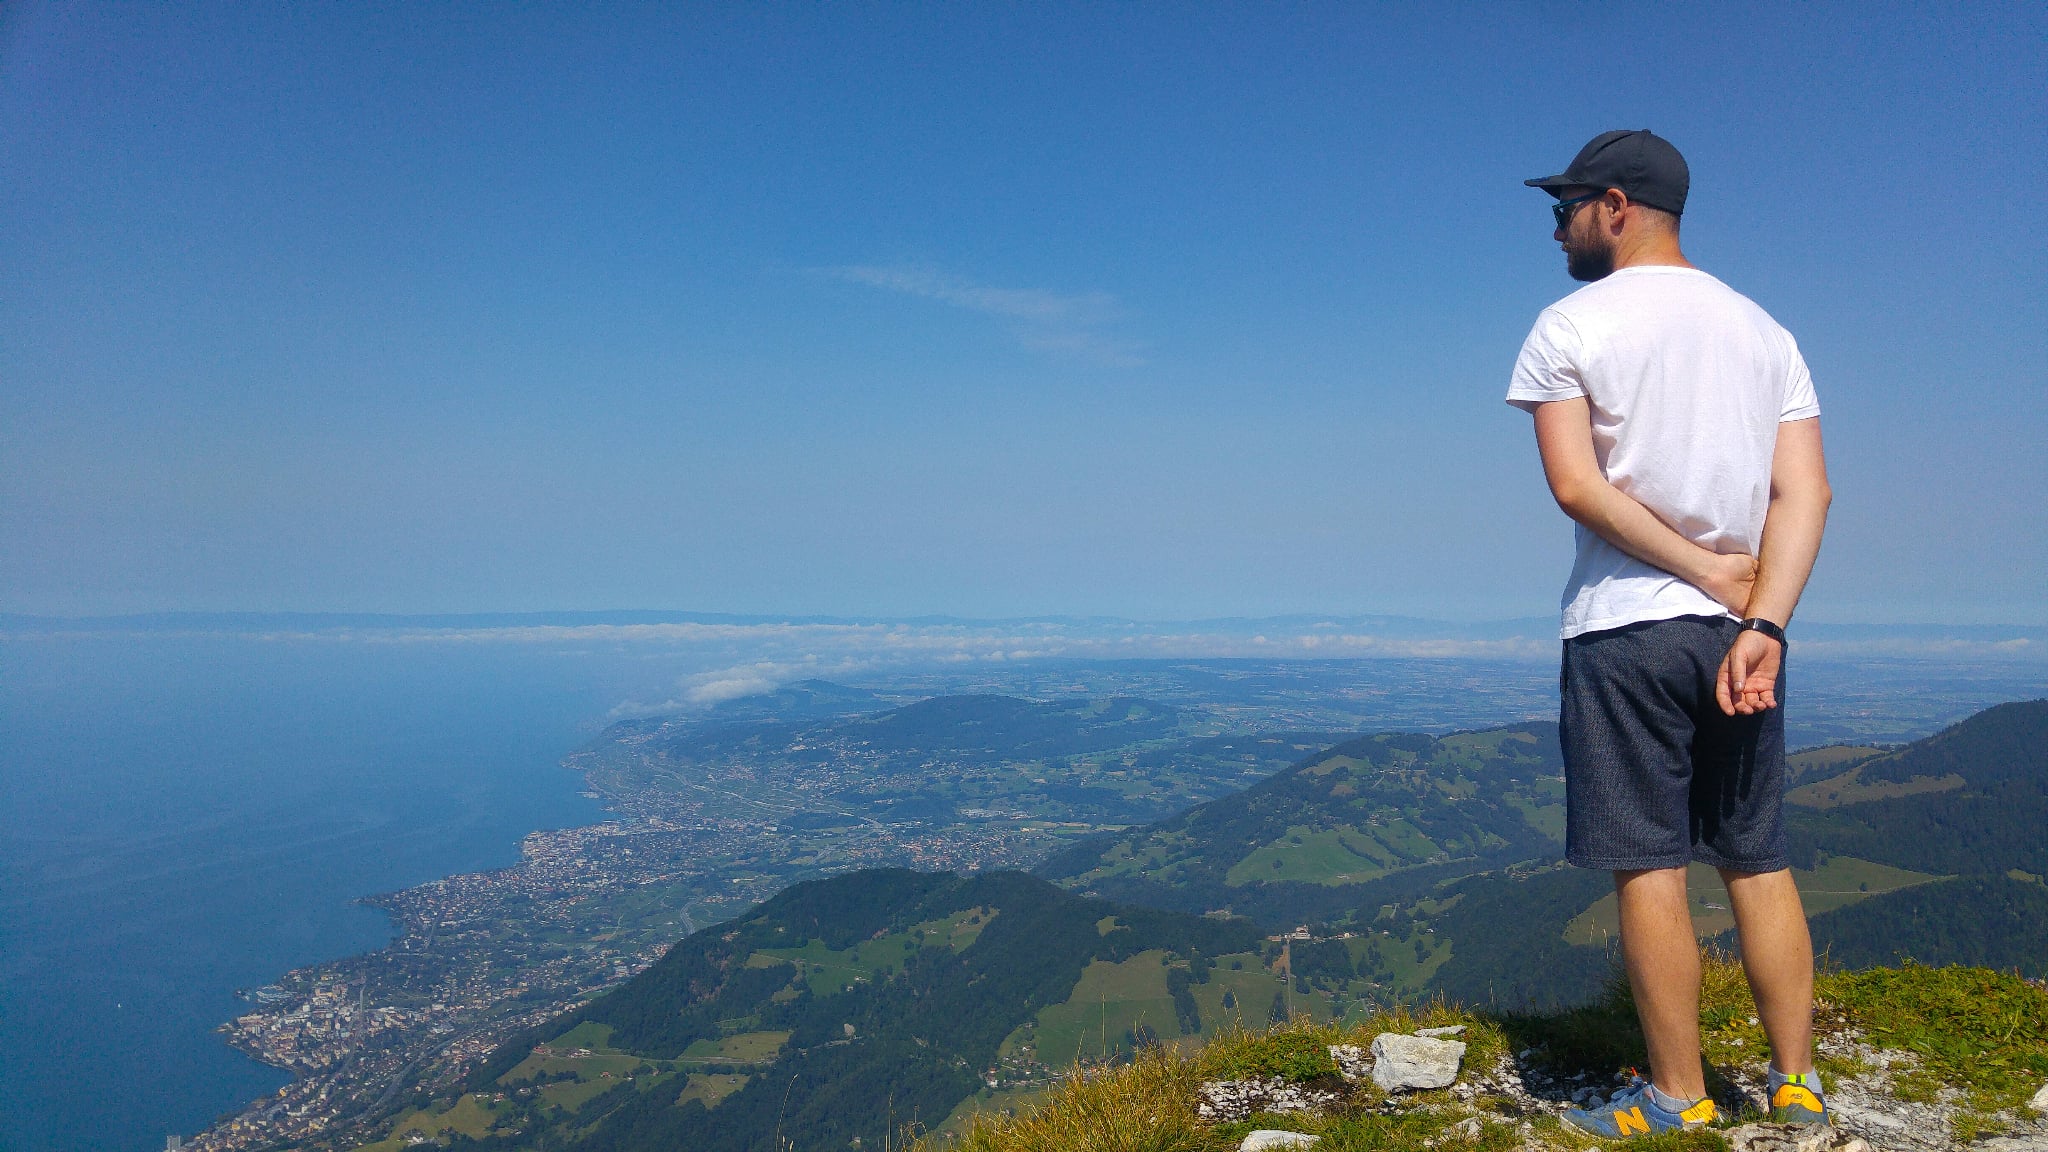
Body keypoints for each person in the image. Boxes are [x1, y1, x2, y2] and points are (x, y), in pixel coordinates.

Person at [1507, 129, 1834, 1138]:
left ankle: (1676, 1095)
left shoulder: (1567, 324)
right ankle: (1793, 1083)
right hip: (1741, 632)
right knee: (1755, 856)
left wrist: (1692, 568)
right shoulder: (1763, 332)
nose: (1554, 224)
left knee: (1648, 864)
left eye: (1563, 205)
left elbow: (1575, 486)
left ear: (1613, 206)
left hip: (1624, 630)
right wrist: (1762, 619)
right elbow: (1804, 490)